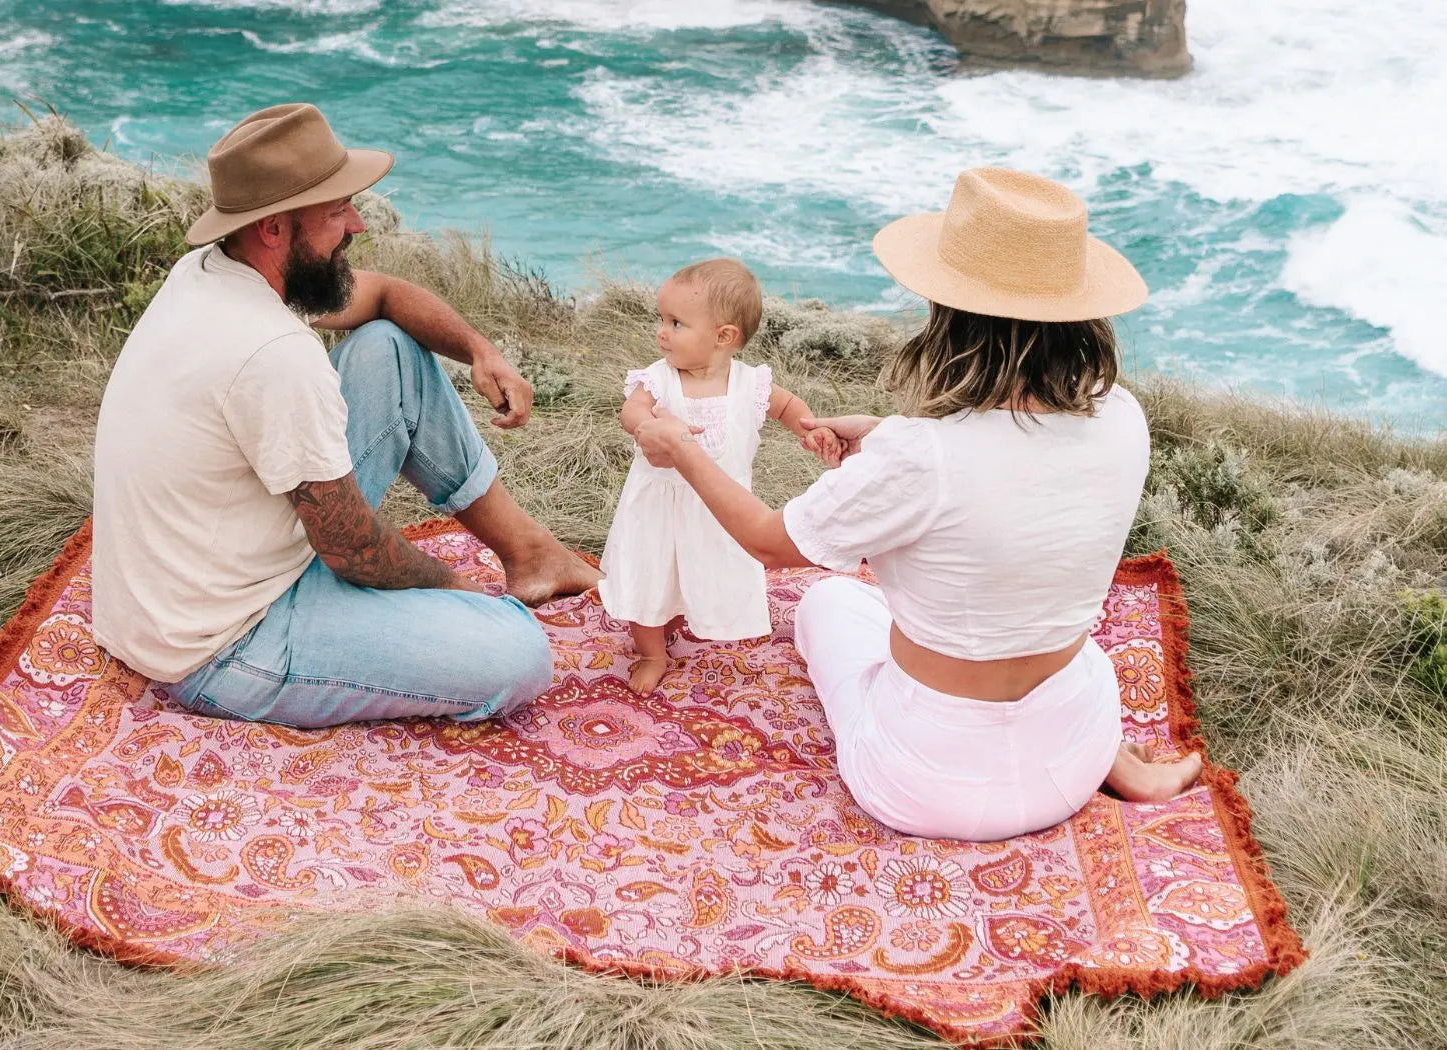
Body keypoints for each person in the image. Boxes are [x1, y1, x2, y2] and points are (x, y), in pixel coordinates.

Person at [632, 168, 1203, 841]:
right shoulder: (1122, 415)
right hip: (1073, 757)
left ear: (953, 316)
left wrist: (682, 447)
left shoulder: (921, 456)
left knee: (830, 602)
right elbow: (1011, 474)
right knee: (1049, 622)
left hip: (927, 786)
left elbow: (765, 540)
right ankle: (1118, 763)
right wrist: (883, 439)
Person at [92, 103, 598, 728]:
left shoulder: (211, 270)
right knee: (518, 653)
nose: (357, 222)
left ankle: (531, 553)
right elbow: (354, 550)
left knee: (388, 346)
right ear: (273, 228)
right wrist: (452, 591)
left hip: (210, 571)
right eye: (336, 211)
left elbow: (384, 295)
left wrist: (479, 351)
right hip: (219, 643)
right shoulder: (271, 352)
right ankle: (456, 616)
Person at [598, 259, 839, 694]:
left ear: (724, 336)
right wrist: (645, 426)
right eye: (661, 319)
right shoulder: (659, 378)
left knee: (698, 572)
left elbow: (786, 406)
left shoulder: (750, 383)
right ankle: (652, 651)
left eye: (676, 323)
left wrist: (813, 427)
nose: (662, 332)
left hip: (718, 510)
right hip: (658, 509)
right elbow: (631, 409)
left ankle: (678, 619)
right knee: (652, 575)